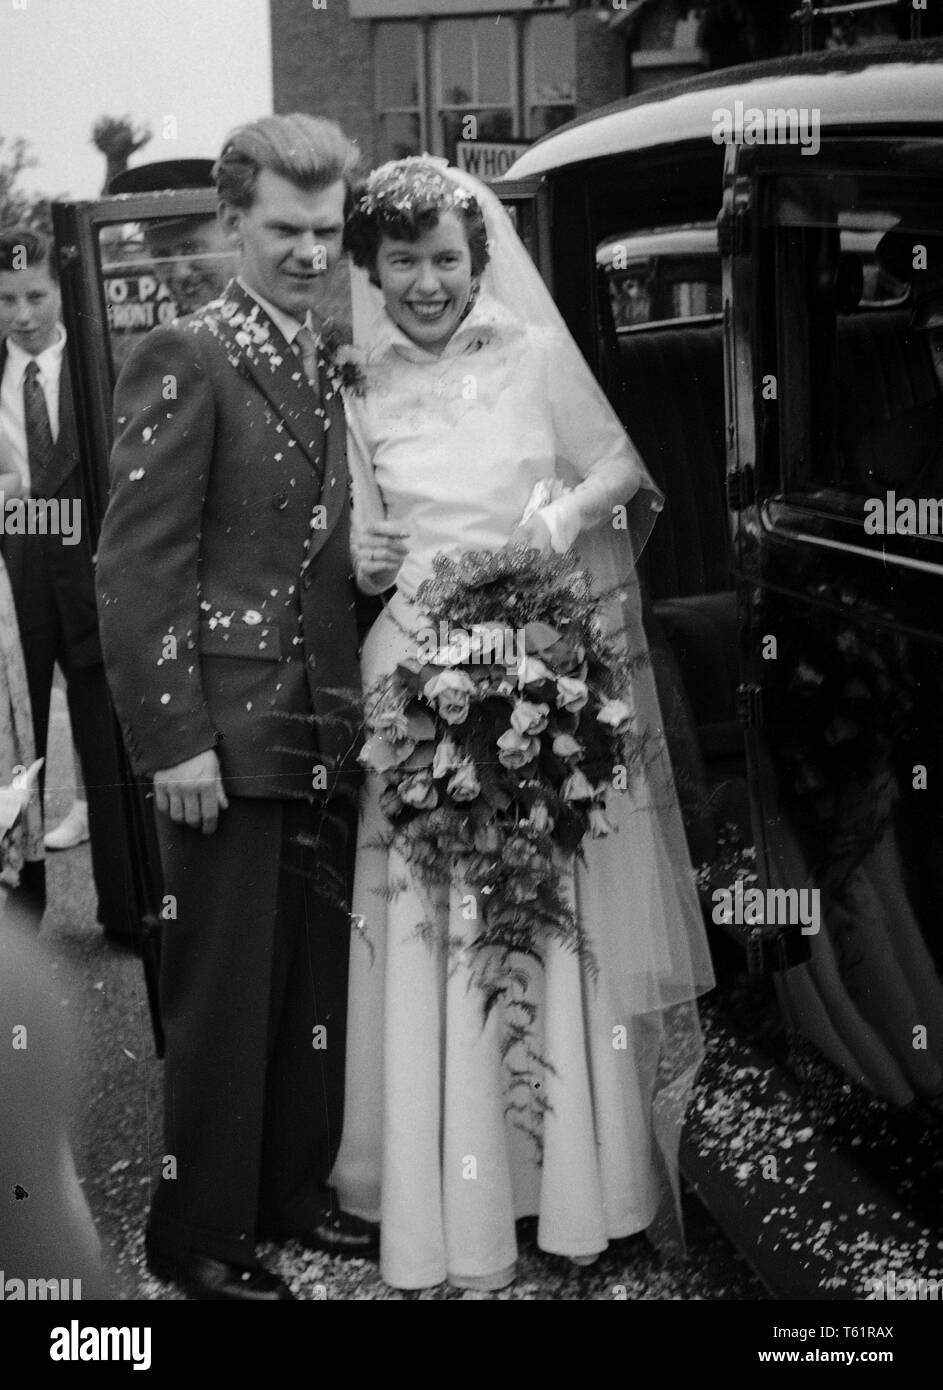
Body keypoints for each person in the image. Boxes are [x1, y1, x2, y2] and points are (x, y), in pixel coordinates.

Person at [331, 158, 716, 1291]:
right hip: (411, 668)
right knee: (426, 924)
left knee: (549, 913)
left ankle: (571, 1188)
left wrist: (550, 525)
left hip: (532, 648)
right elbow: (358, 528)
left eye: (445, 258)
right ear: (373, 270)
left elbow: (620, 472)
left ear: (476, 258)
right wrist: (361, 551)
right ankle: (445, 1203)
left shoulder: (535, 357)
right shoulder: (356, 385)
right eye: (402, 262)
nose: (427, 282)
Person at [95, 113, 378, 1302]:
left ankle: (290, 1193)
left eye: (325, 229)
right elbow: (136, 565)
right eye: (285, 230)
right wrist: (175, 745)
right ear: (232, 225)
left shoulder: (321, 351)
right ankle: (196, 1231)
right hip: (223, 734)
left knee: (310, 982)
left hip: (323, 728)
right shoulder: (184, 352)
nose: (311, 251)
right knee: (218, 996)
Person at [0, 227, 137, 940]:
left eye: (35, 296)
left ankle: (126, 911)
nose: (21, 315)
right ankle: (21, 920)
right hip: (12, 578)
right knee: (15, 750)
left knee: (105, 743)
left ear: (61, 291)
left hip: (87, 572)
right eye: (5, 300)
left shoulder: (99, 369)